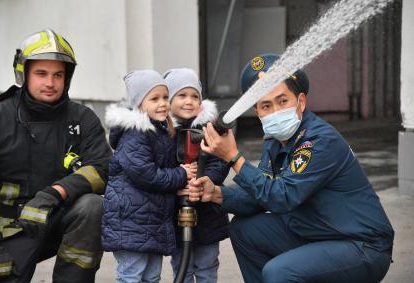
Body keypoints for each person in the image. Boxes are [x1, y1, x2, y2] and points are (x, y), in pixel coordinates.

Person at [187, 54, 394, 283]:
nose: (275, 111)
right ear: (257, 112)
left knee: (279, 272)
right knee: (244, 230)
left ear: (301, 102)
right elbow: (261, 195)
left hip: (361, 245)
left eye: (282, 101)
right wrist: (216, 193)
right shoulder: (275, 140)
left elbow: (281, 197)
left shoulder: (318, 141)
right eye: (266, 105)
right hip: (317, 234)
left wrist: (233, 157)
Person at [0, 29, 111, 282]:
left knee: (92, 206)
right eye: (41, 74)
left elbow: (102, 167)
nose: (50, 83)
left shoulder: (82, 118)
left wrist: (53, 193)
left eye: (58, 75)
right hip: (5, 228)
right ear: (23, 74)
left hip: (55, 217)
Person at [101, 69, 194, 283]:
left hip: (150, 220)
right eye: (154, 99)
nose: (163, 103)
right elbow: (147, 174)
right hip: (131, 222)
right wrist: (180, 175)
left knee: (151, 276)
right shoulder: (135, 134)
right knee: (131, 275)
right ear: (138, 103)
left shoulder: (158, 129)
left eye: (165, 97)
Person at [163, 68, 230, 283]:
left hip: (208, 214)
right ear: (169, 99)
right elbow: (158, 168)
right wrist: (177, 181)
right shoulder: (163, 132)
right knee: (181, 266)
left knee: (207, 265)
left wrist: (205, 180)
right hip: (176, 214)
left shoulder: (209, 128)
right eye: (181, 95)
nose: (189, 101)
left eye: (194, 96)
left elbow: (220, 160)